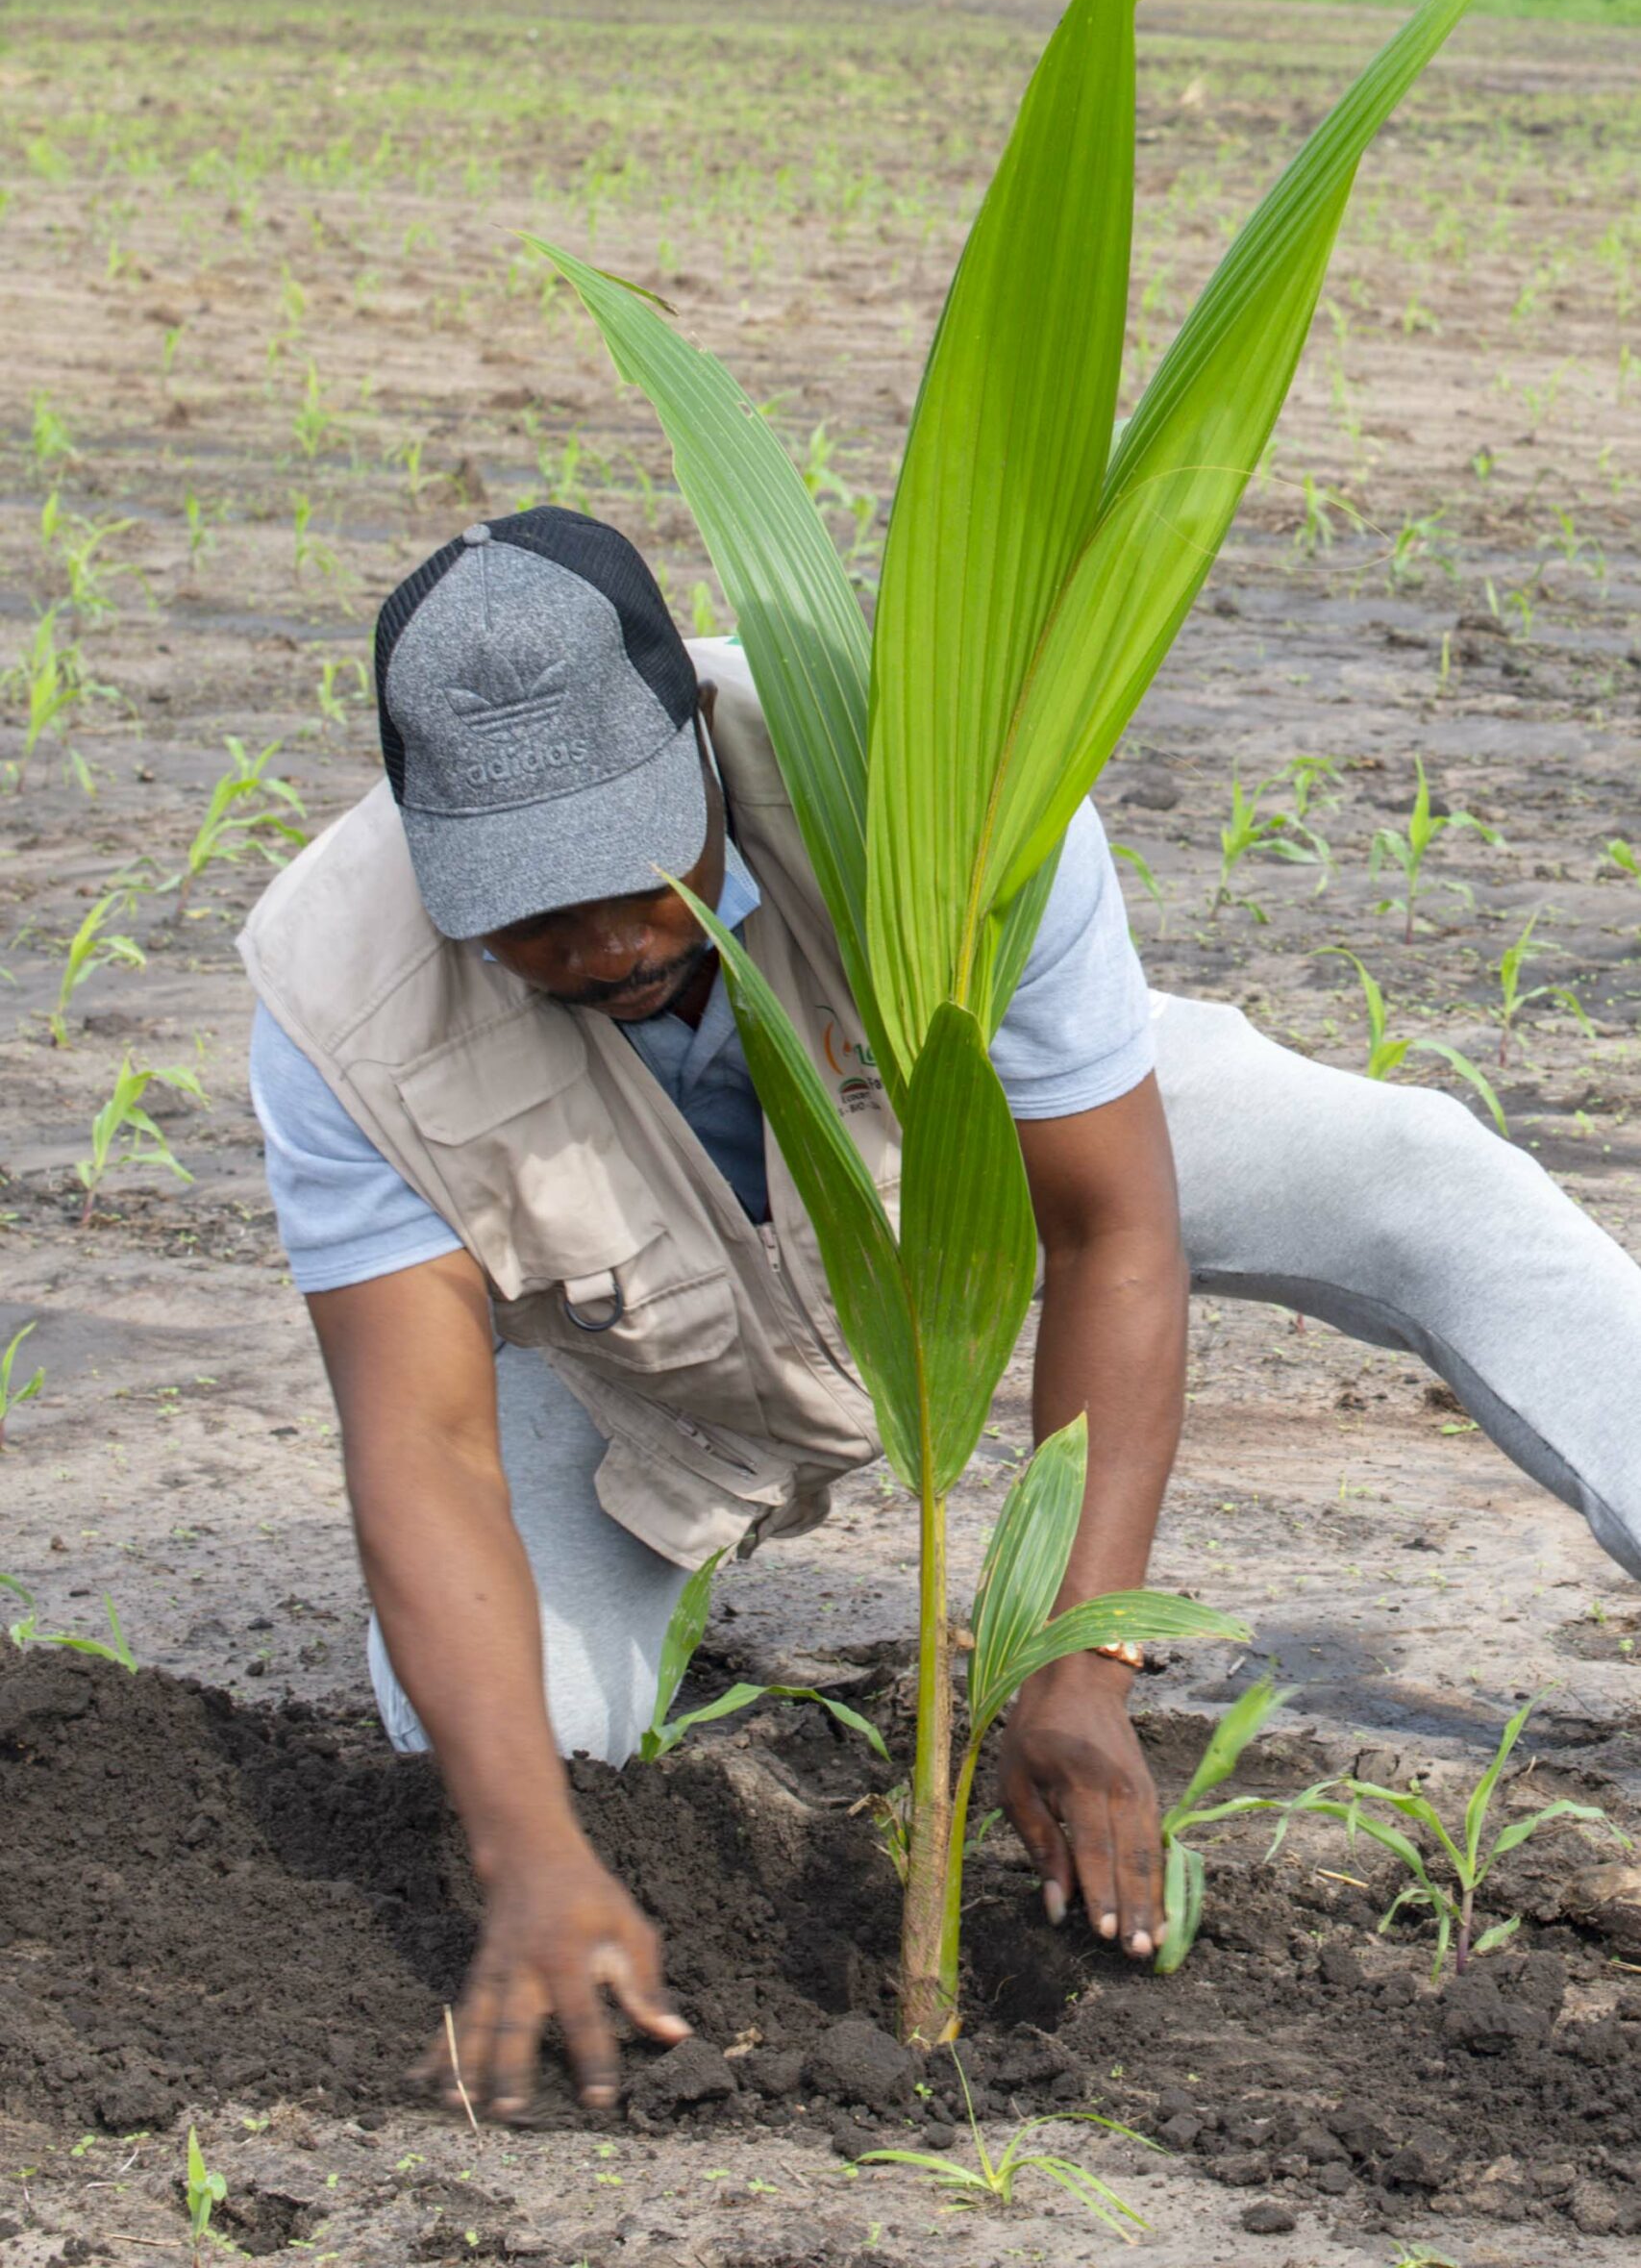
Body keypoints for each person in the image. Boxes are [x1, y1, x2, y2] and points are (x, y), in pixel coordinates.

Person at [241, 505, 1641, 2121]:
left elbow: (1114, 1228)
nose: (612, 940)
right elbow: (422, 1444)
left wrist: (1078, 1660)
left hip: (975, 1158)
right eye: (532, 911)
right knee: (490, 1751)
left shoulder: (927, 783)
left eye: (639, 870)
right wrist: (533, 1855)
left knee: (1420, 1173)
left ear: (697, 740)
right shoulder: (336, 993)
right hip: (639, 1358)